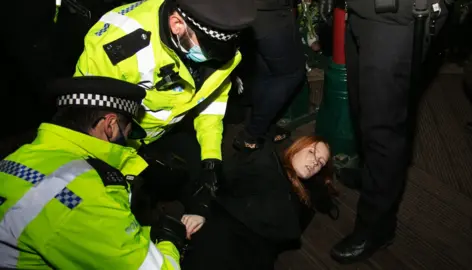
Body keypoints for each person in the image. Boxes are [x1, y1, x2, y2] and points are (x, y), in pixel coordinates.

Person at [74, 0, 256, 198]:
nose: (214, 58)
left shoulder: (219, 44)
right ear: (177, 24)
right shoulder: (115, 48)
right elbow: (93, 128)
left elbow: (212, 99)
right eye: (209, 49)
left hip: (160, 135)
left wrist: (211, 158)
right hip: (118, 145)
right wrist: (130, 169)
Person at [0, 76, 186, 269]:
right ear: (110, 126)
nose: (130, 143)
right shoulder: (87, 193)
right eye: (129, 134)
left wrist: (148, 233)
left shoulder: (21, 155)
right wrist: (169, 239)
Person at [331, 0, 450, 264]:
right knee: (363, 110)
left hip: (397, 21)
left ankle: (375, 228)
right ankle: (372, 174)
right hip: (363, 12)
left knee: (382, 129)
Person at [181, 136, 336, 270]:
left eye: (321, 163)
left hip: (257, 257)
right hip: (226, 235)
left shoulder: (304, 202)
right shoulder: (264, 160)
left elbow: (290, 233)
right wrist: (201, 211)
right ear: (297, 147)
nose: (315, 162)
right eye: (312, 152)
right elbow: (219, 181)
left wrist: (323, 181)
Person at [232, 0, 306, 150]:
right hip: (268, 10)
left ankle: (262, 126)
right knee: (290, 75)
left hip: (248, 9)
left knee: (265, 69)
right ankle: (252, 134)